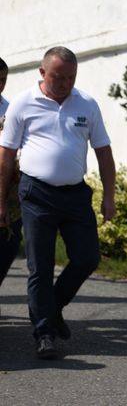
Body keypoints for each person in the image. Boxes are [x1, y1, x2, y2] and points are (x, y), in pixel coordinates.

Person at [0, 46, 116, 360]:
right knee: (40, 265)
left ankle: (51, 307)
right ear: (42, 72)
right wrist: (0, 203)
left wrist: (109, 196)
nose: (64, 82)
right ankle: (44, 332)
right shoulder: (23, 104)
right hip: (35, 193)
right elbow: (7, 156)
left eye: (69, 77)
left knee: (87, 258)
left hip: (75, 193)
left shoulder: (87, 104)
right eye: (57, 76)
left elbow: (103, 151)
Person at [0, 57, 23, 294]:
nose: (0, 85)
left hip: (9, 185)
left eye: (3, 80)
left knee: (9, 243)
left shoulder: (11, 109)